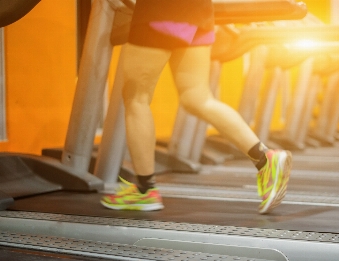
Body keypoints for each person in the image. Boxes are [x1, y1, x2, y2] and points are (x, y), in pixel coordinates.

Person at [100, 0, 292, 214]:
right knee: (197, 97)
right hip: (199, 13)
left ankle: (145, 190)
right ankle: (265, 158)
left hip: (158, 9)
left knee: (136, 97)